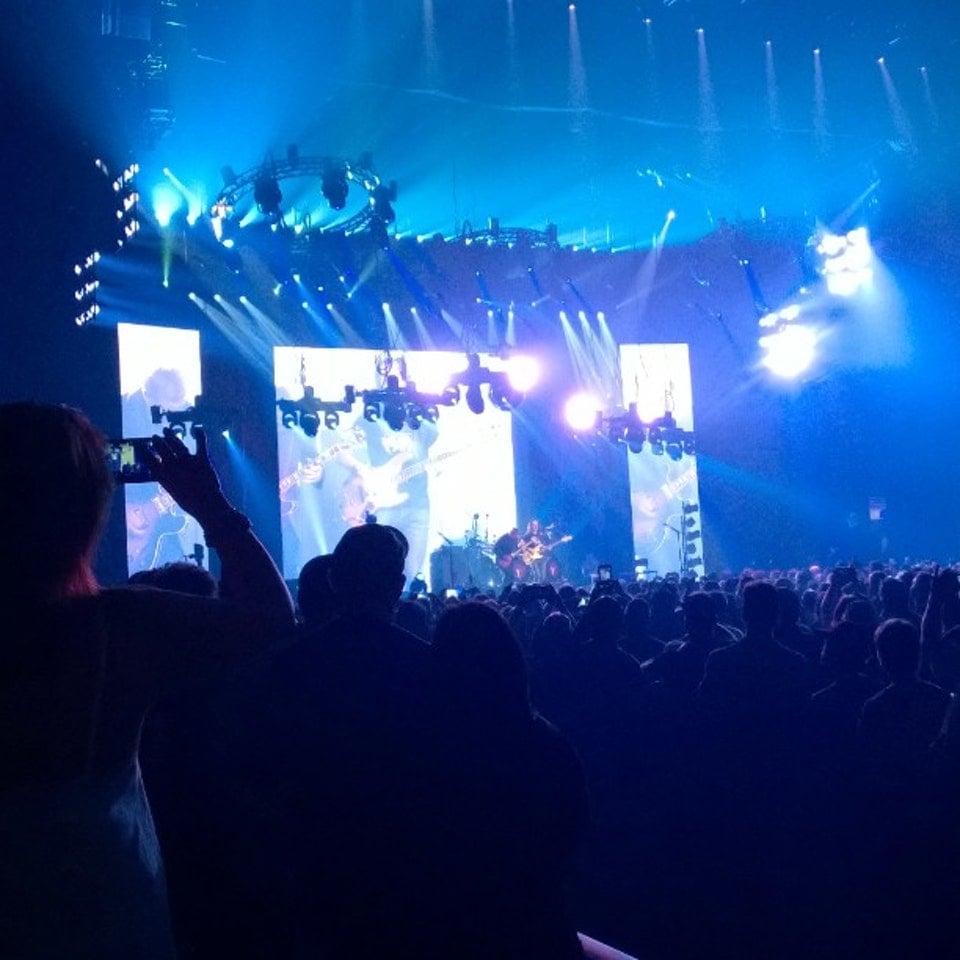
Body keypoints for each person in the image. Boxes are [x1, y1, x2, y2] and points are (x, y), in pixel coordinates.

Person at [0, 401, 296, 959]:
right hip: (102, 904)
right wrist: (211, 507)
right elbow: (271, 621)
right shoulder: (118, 625)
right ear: (84, 508)